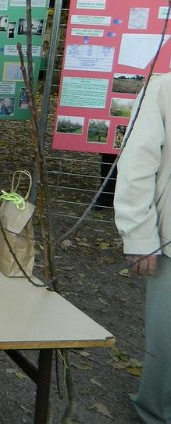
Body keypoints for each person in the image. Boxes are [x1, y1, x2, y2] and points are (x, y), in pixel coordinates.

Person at [114, 73, 171, 424]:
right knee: (167, 348)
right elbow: (136, 163)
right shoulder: (164, 88)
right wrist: (139, 237)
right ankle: (157, 415)